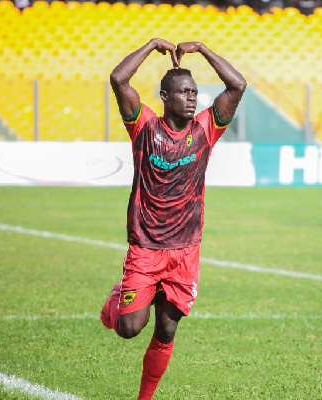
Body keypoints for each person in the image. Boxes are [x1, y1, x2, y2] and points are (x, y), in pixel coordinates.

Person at [100, 38, 246, 399]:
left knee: (166, 329)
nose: (192, 97)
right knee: (131, 327)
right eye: (183, 92)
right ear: (165, 97)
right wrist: (151, 46)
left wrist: (204, 50)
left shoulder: (205, 130)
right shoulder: (144, 126)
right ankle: (116, 301)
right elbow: (119, 79)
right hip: (147, 247)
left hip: (185, 251)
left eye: (195, 91)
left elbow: (237, 85)